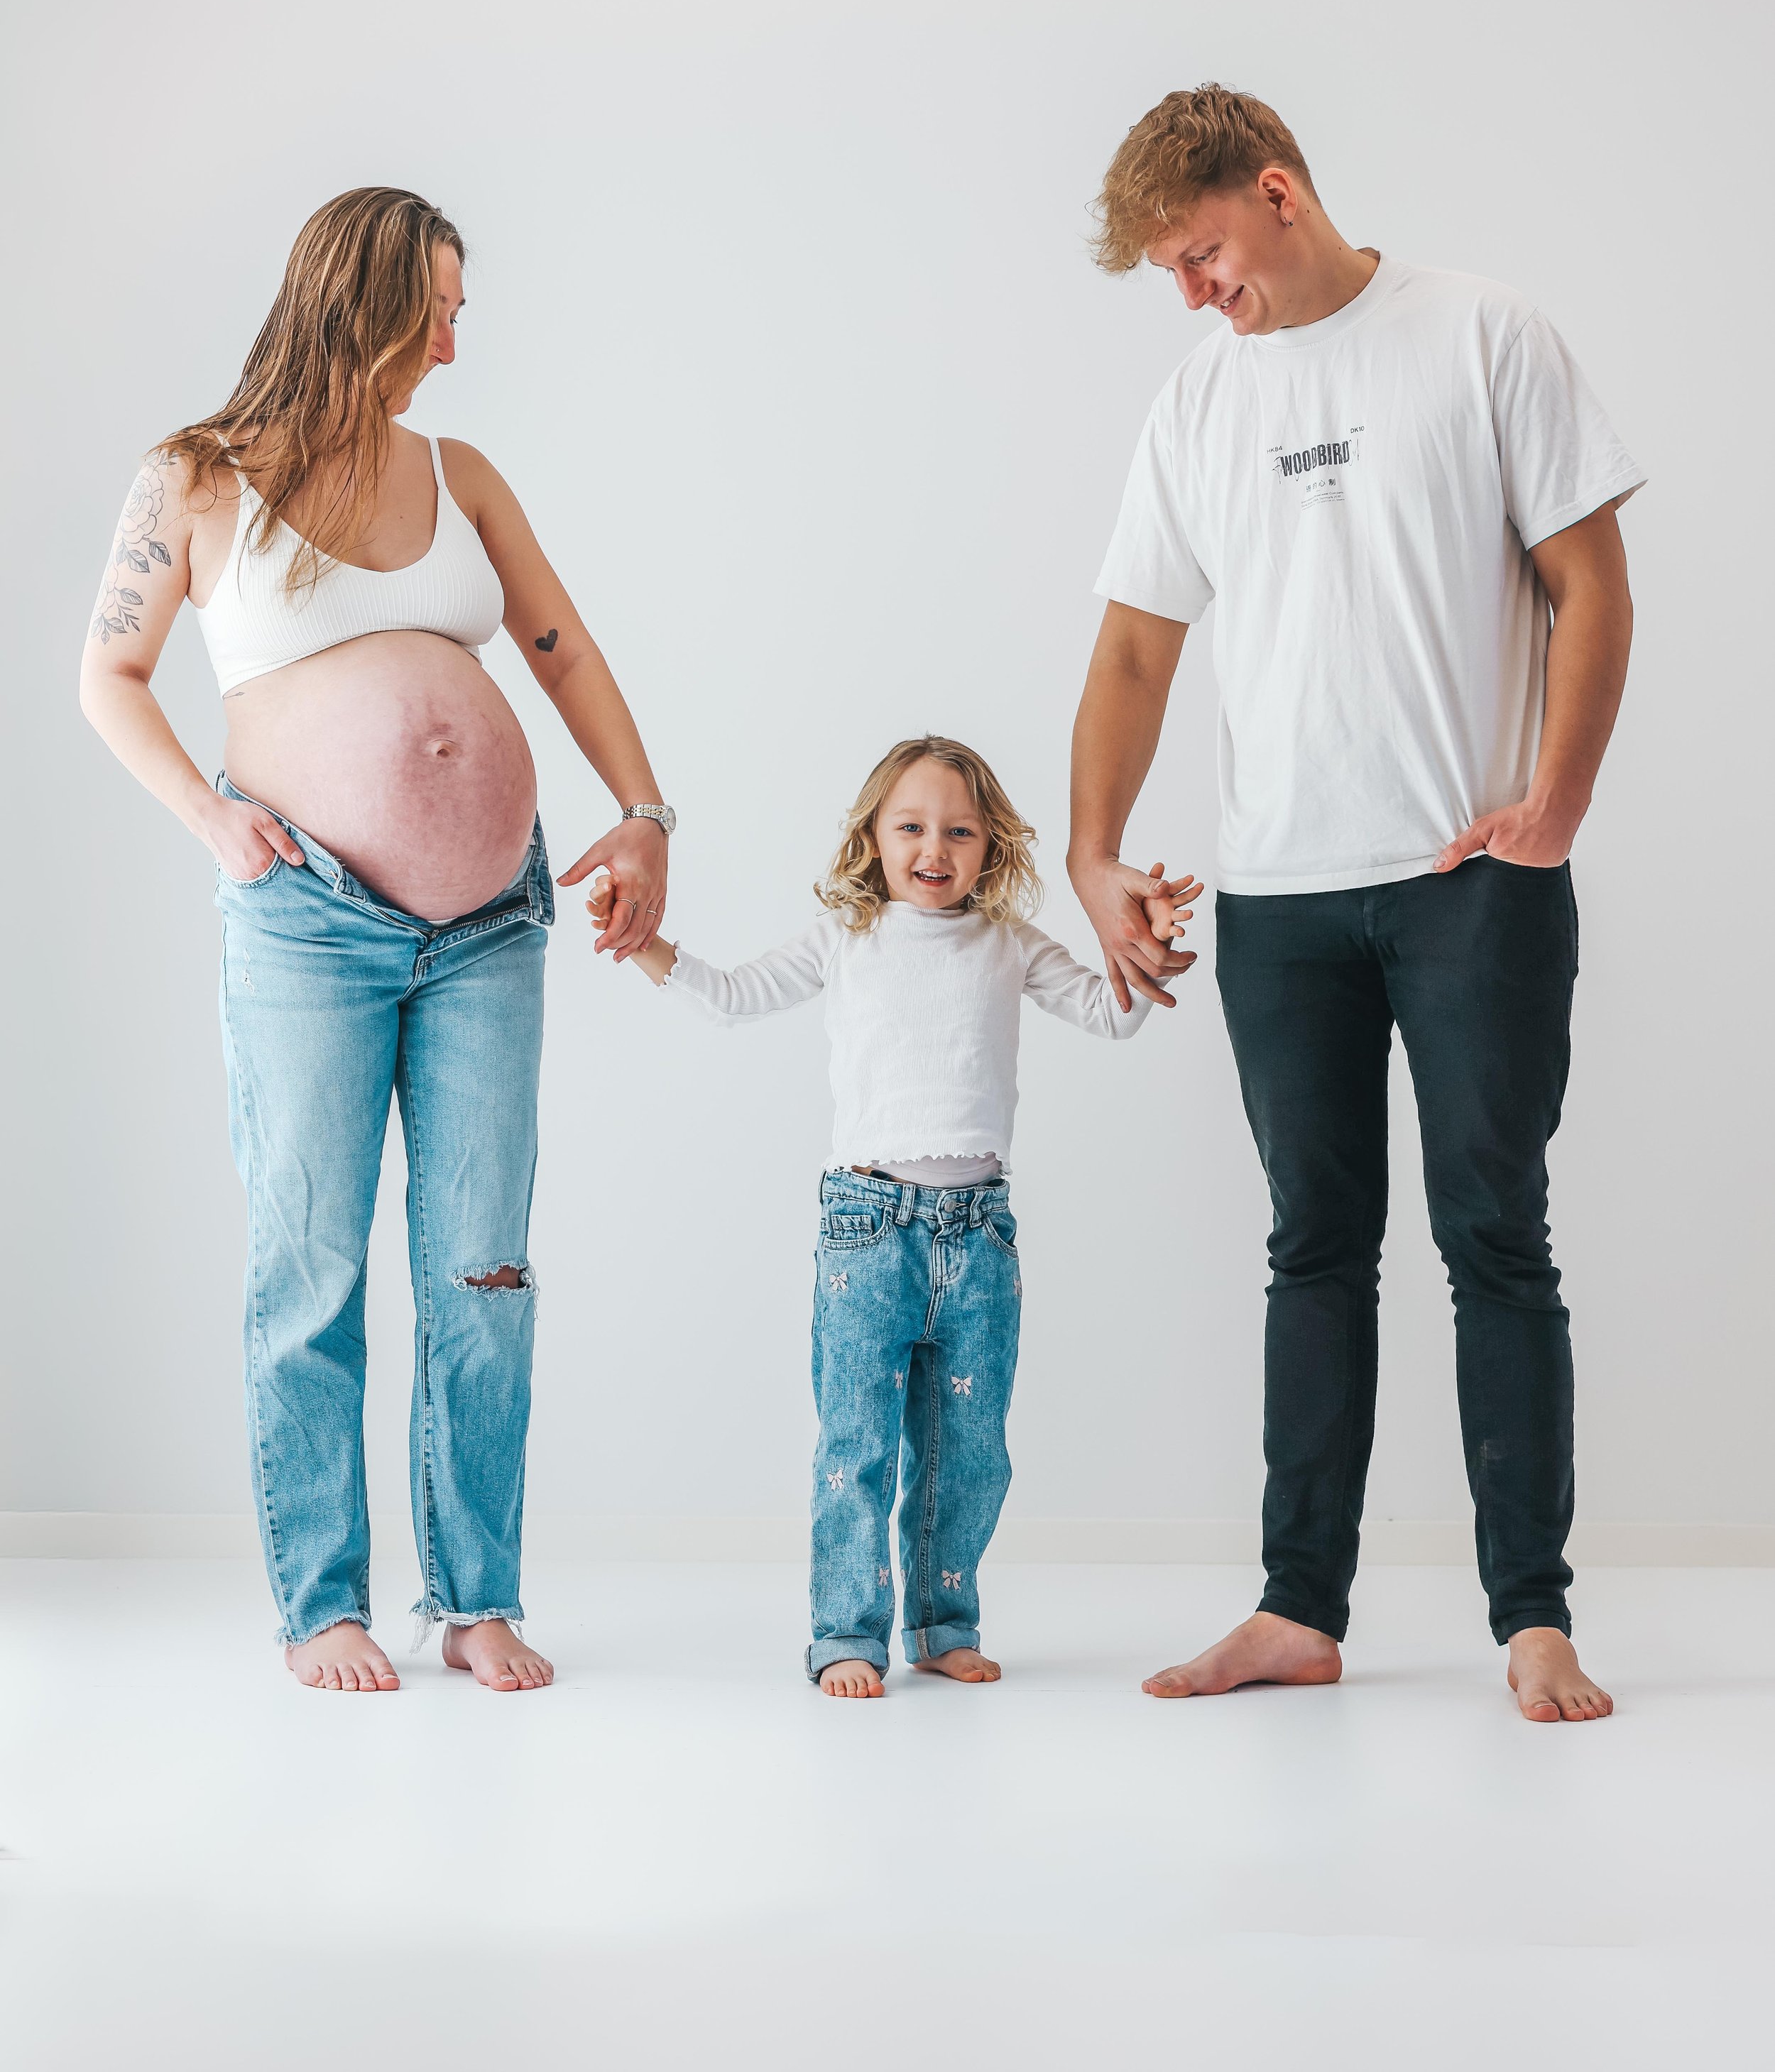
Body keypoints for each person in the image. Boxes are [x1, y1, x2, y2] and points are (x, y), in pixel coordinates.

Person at [1068, 86, 1643, 1723]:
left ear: (1275, 193)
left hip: (1473, 881)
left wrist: (1557, 804)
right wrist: (1093, 849)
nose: (1193, 293)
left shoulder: (1477, 335)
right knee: (1311, 1248)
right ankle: (1294, 1605)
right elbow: (1129, 646)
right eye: (1169, 274)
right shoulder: (1195, 401)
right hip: (1277, 897)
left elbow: (1587, 578)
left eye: (1200, 255)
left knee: (1493, 1240)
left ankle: (1529, 1615)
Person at [80, 187, 674, 1693]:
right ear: (368, 297)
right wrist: (213, 822)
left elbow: (561, 645)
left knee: (482, 1267)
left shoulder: (460, 473)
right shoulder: (195, 477)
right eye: (442, 309)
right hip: (305, 920)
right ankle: (322, 1601)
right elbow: (112, 676)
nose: (456, 344)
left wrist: (644, 809)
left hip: (491, 922)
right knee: (312, 1266)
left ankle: (474, 1595)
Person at [594, 736, 1198, 1695]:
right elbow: (738, 997)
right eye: (911, 825)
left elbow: (1114, 1014)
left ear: (991, 848)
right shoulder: (847, 936)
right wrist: (643, 945)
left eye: (960, 830)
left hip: (980, 1232)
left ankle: (942, 1623)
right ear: (871, 839)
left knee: (971, 1454)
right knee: (856, 1447)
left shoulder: (1008, 945)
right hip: (867, 1230)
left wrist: (1149, 947)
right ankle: (846, 1634)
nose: (935, 846)